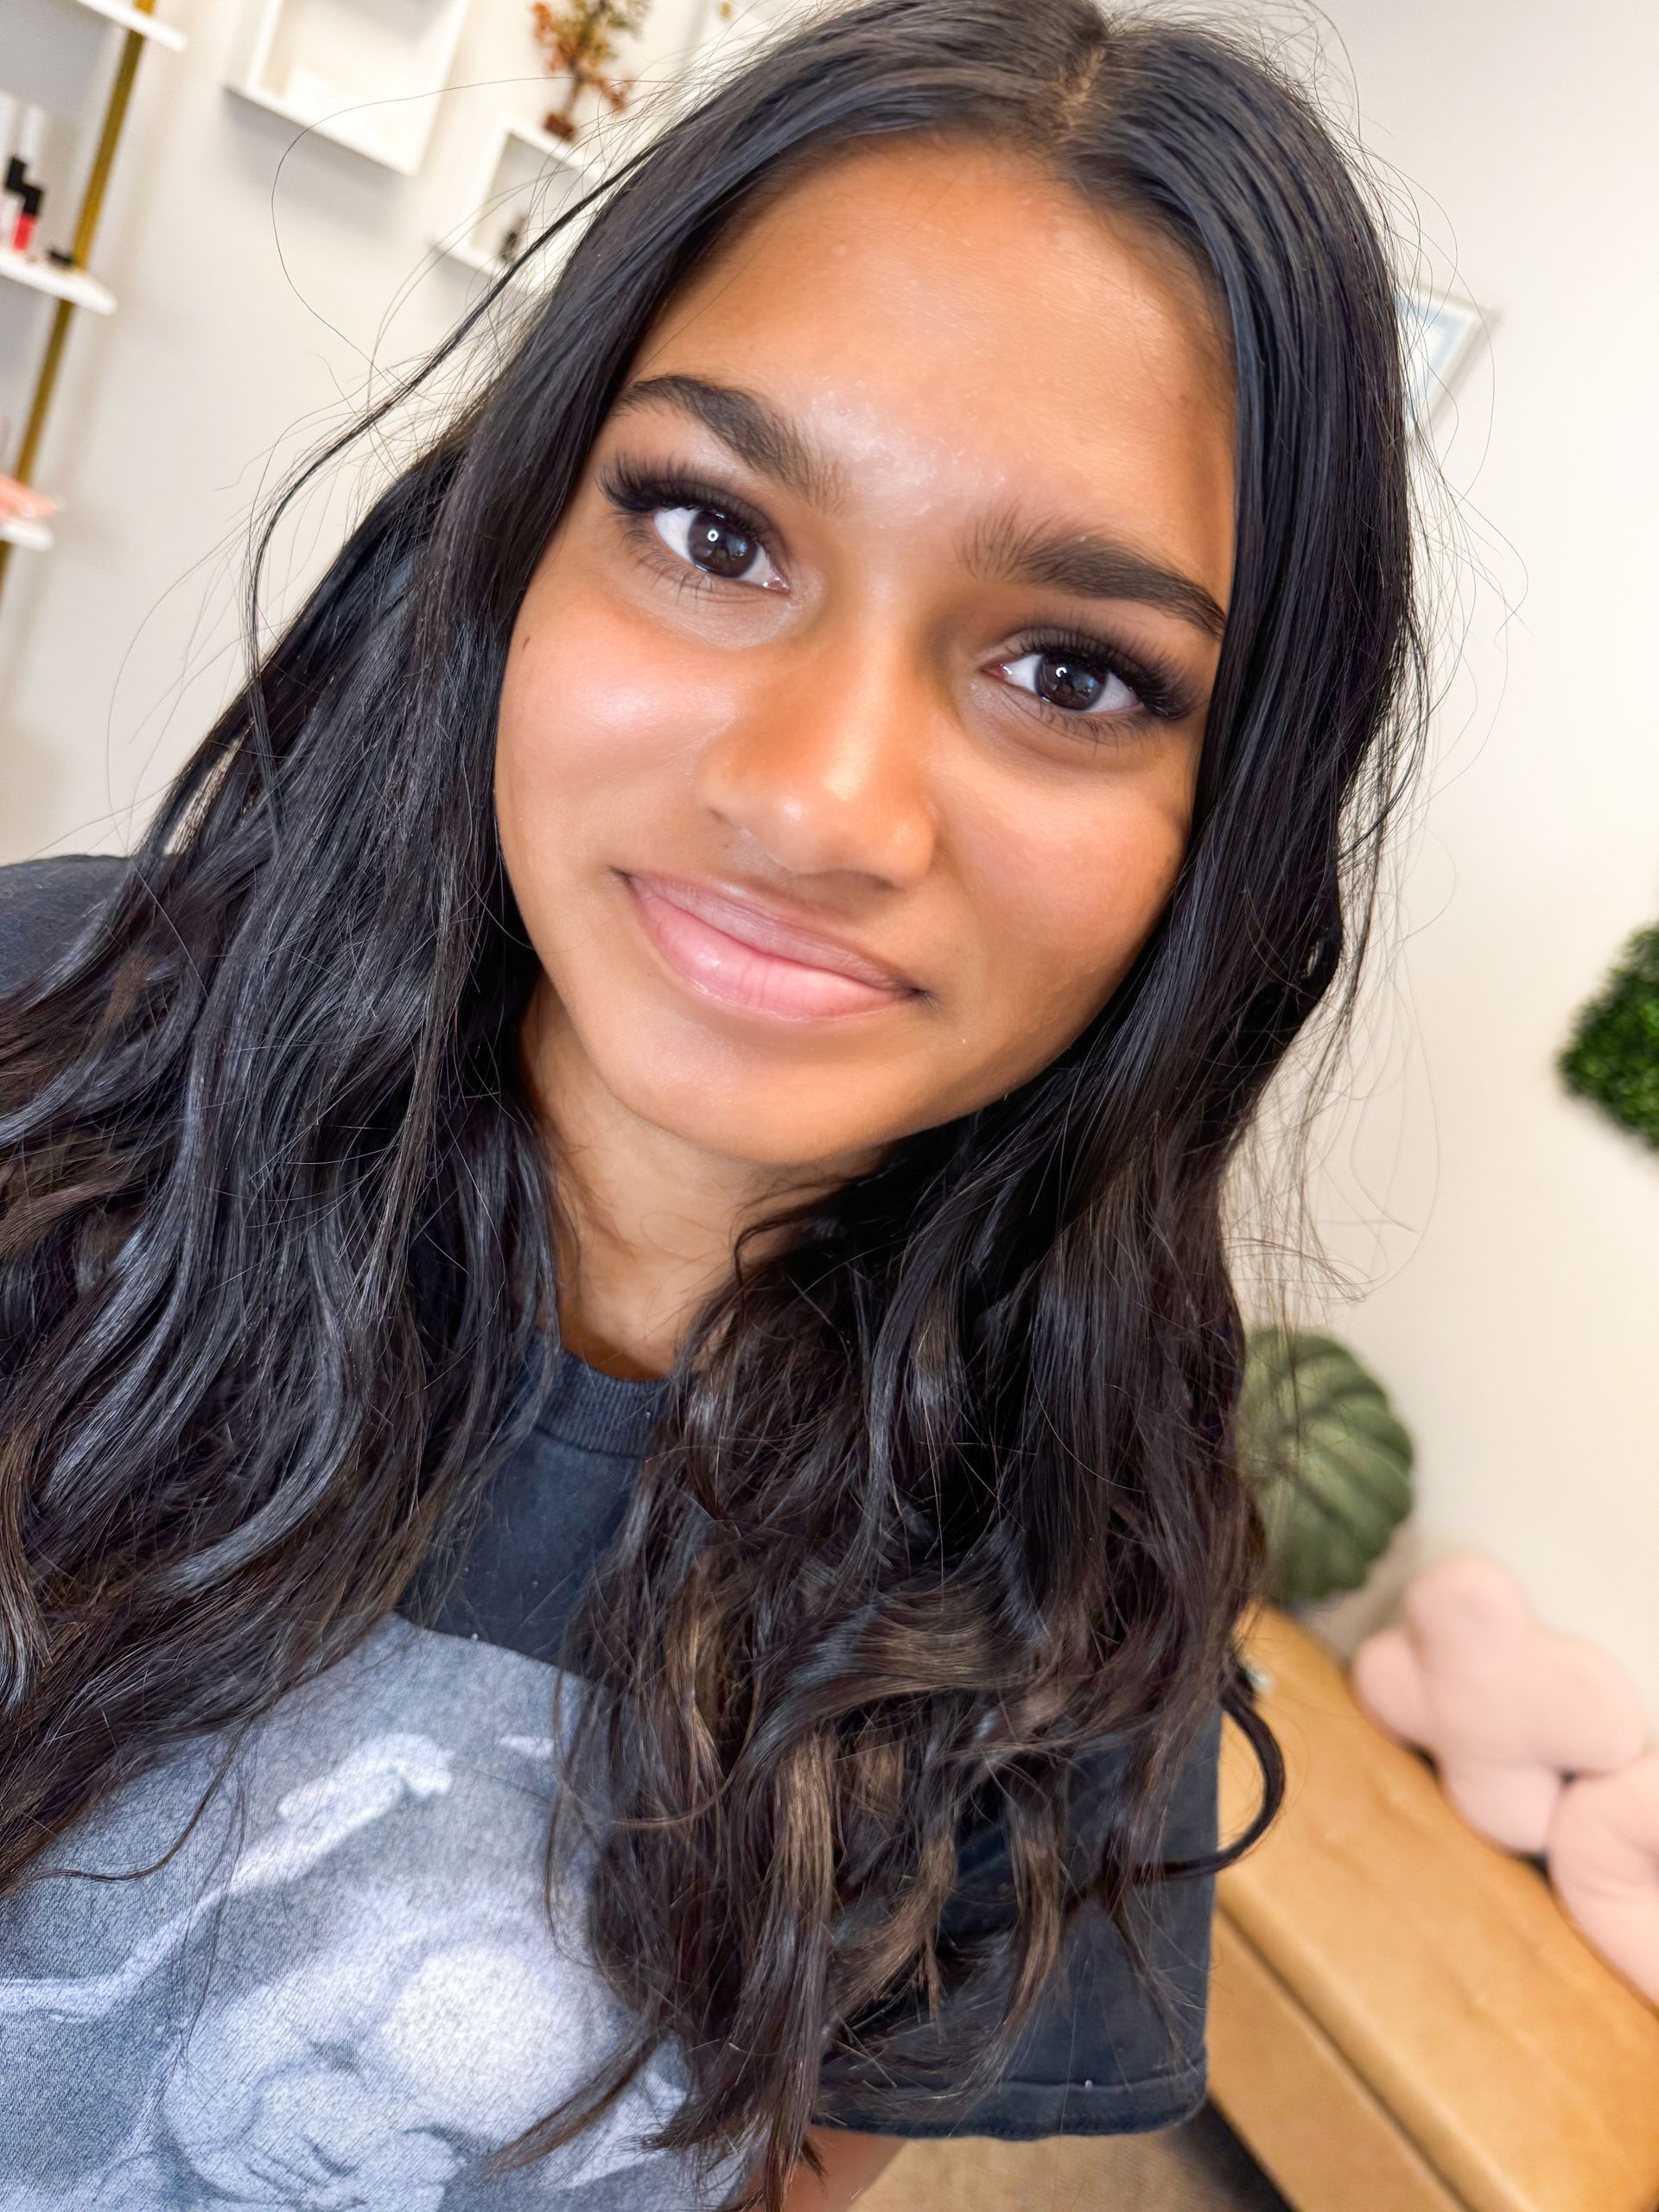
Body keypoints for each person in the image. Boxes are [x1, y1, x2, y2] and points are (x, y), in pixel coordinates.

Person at [0, 0, 1425, 2203]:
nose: (815, 795)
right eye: (713, 528)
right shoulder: (40, 1045)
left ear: (1227, 820)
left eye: (1075, 672)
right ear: (520, 527)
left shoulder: (1086, 1538)